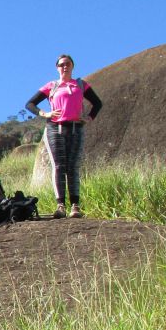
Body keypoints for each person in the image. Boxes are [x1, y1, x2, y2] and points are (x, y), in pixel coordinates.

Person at [24, 53, 104, 219]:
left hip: (76, 128)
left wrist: (89, 118)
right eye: (61, 64)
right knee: (59, 166)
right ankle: (60, 206)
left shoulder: (80, 85)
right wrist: (44, 113)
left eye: (67, 64)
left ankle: (75, 206)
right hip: (55, 128)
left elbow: (97, 103)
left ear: (72, 66)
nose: (64, 67)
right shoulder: (52, 86)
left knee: (73, 166)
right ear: (57, 68)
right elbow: (30, 104)